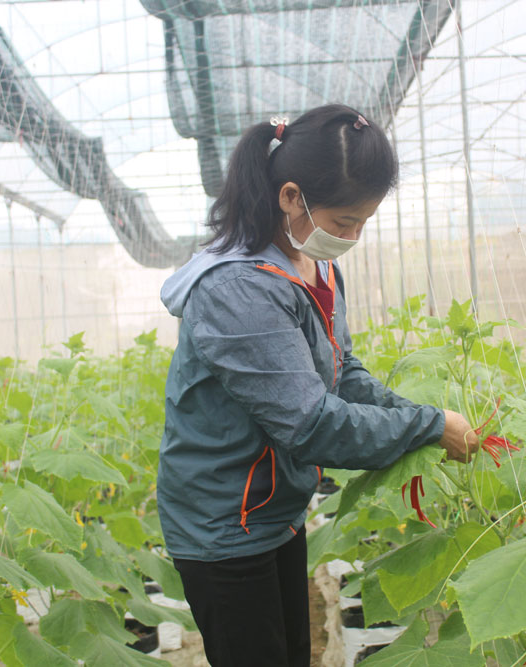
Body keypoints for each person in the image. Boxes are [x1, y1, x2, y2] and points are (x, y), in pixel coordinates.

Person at [156, 104, 478, 666]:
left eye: (363, 222)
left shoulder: (315, 262)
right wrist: (428, 426)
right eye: (344, 222)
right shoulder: (236, 290)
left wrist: (417, 415)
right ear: (290, 197)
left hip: (276, 508)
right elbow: (310, 424)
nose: (352, 237)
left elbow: (342, 371)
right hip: (223, 524)